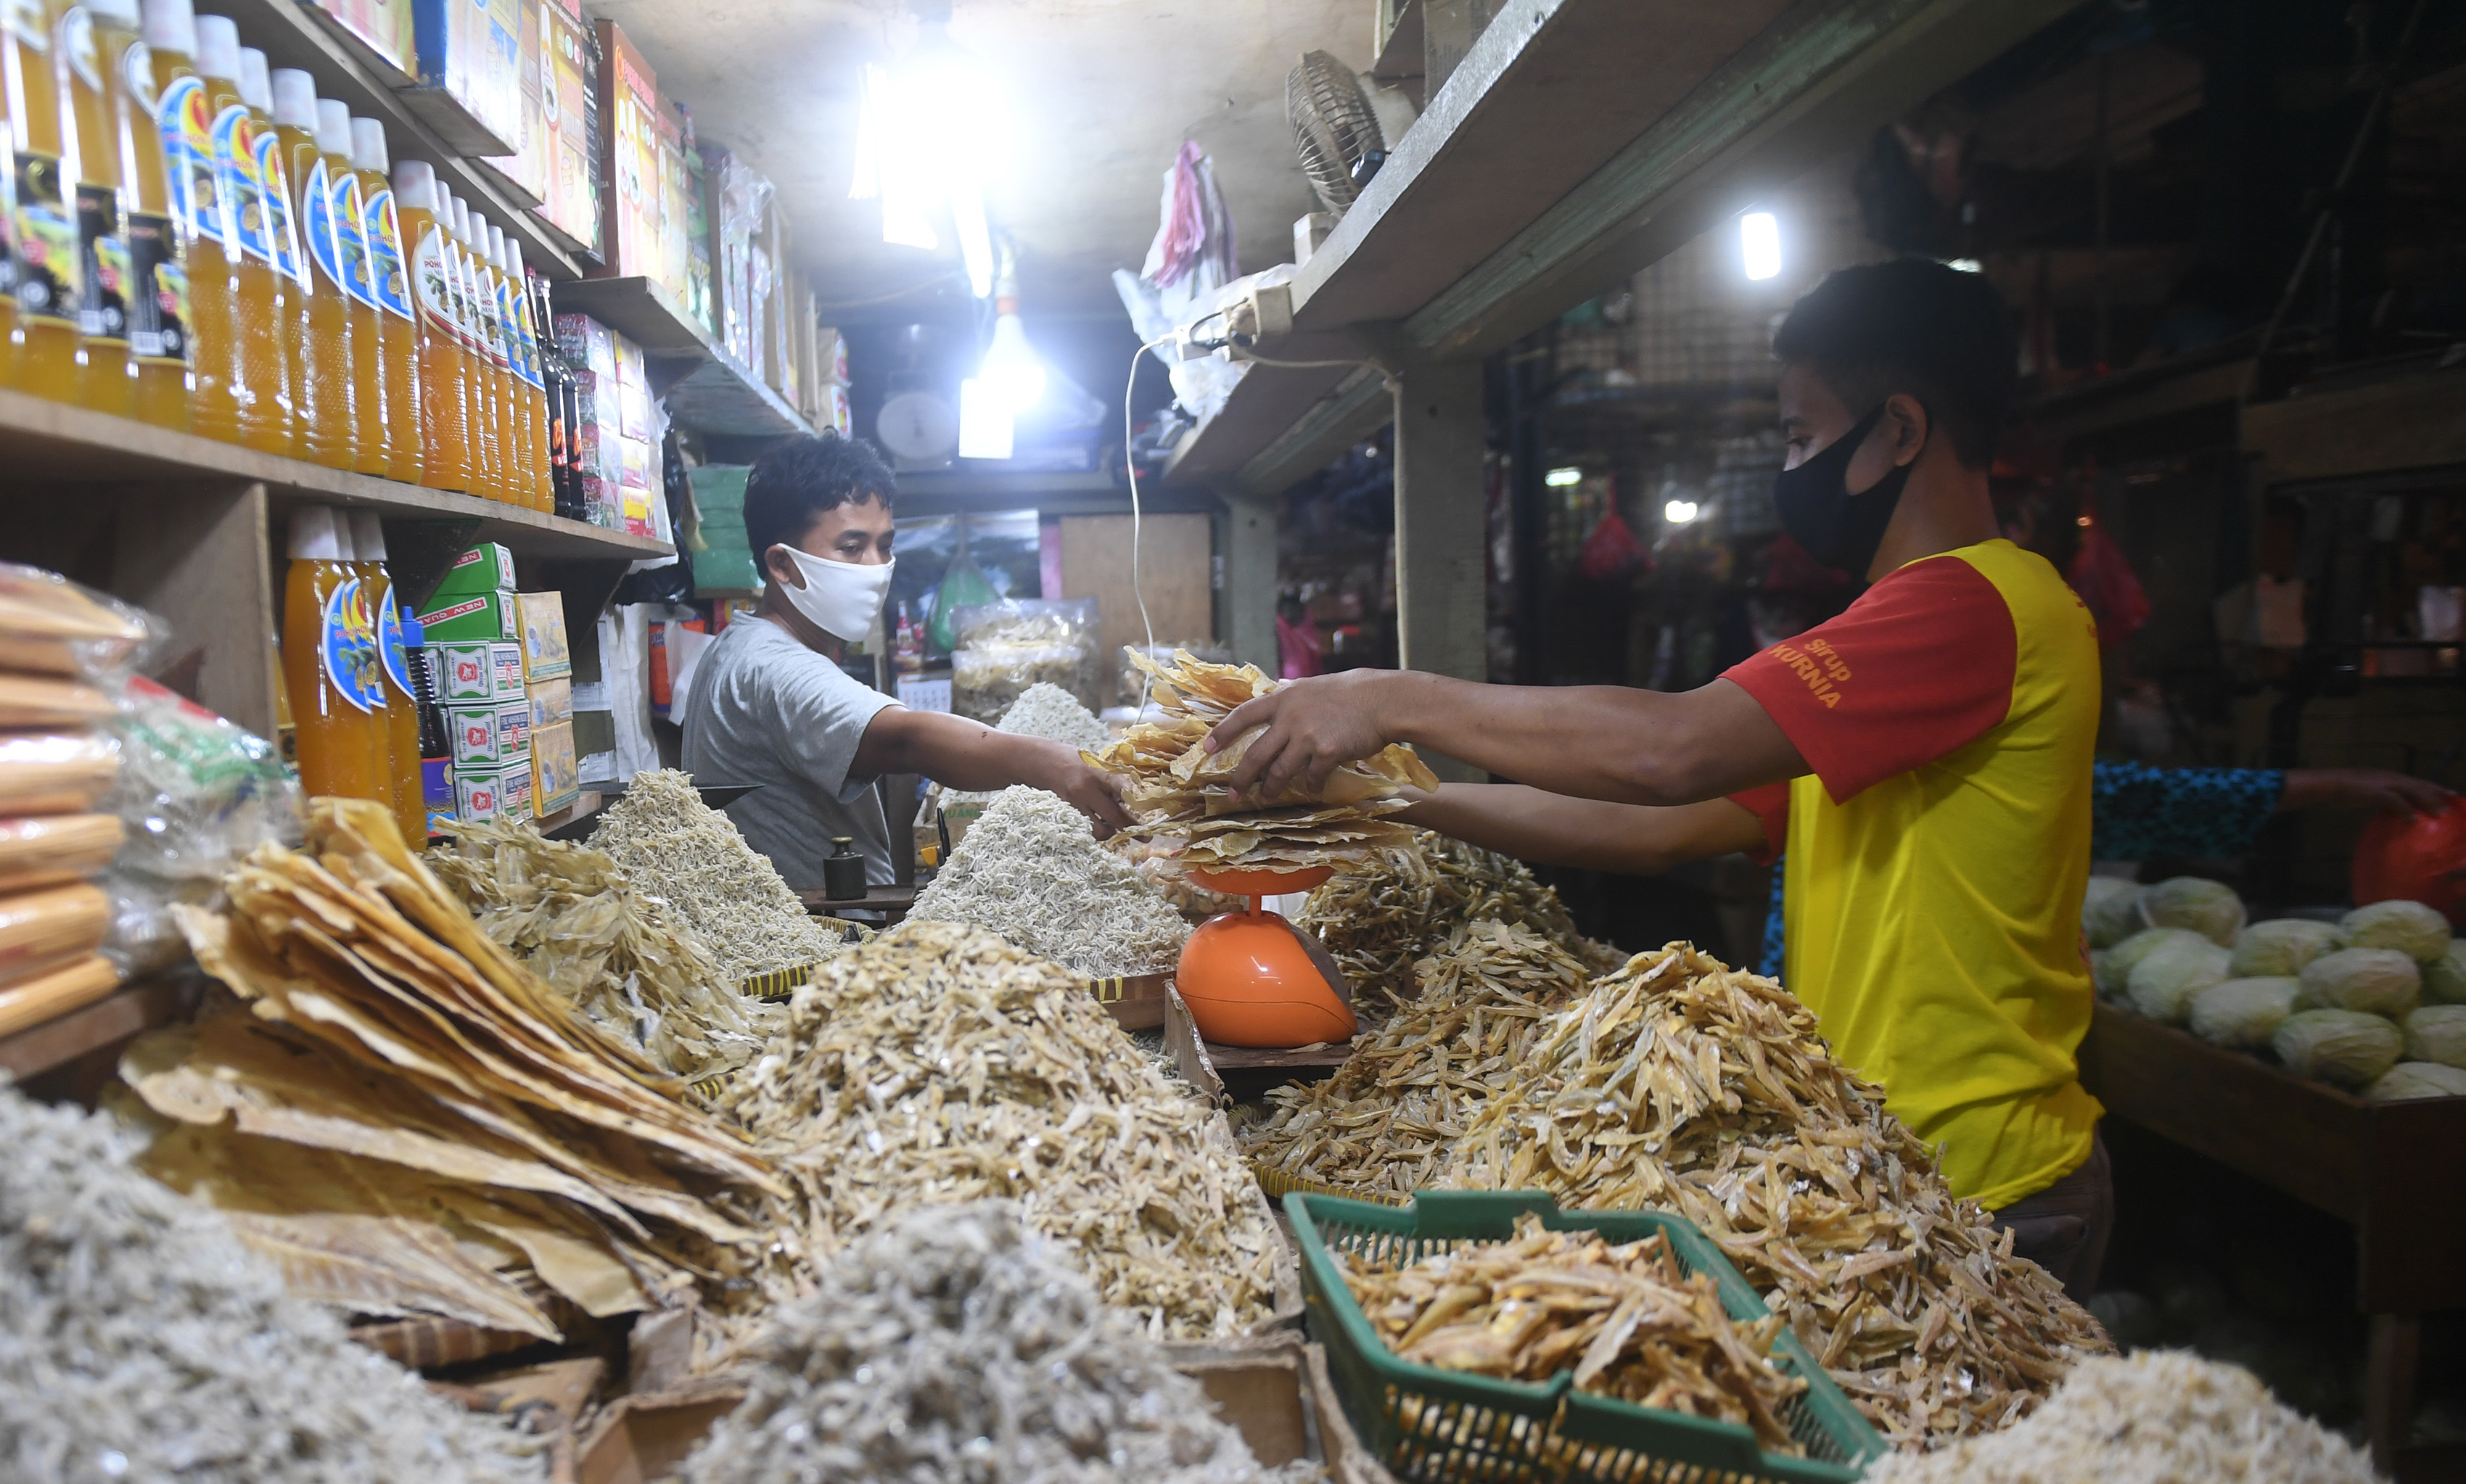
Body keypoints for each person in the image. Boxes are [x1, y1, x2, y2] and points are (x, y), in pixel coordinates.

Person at [1209, 259, 2118, 1298]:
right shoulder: (1889, 645)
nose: (1789, 467)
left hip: (1983, 1176)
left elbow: (1671, 749)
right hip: (1890, 1160)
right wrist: (1391, 802)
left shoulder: (1975, 605)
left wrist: (1389, 697)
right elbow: (1662, 824)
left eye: (1799, 437)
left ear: (1901, 430)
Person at [675, 433, 1128, 891]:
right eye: (852, 548)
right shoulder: (770, 666)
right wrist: (1053, 763)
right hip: (812, 945)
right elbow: (904, 740)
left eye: (885, 545)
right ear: (783, 565)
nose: (876, 567)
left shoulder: (740, 645)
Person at [1756, 762, 2458, 978]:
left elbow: (2152, 797)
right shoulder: (1800, 762)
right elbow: (1674, 789)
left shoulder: (2007, 768)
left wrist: (2327, 788)